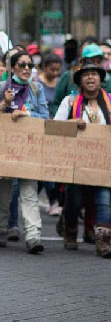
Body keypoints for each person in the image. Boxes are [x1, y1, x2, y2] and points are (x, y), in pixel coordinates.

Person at [0, 50, 48, 254]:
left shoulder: (36, 89)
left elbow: (46, 116)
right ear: (12, 68)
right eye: (21, 65)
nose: (26, 69)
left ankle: (33, 235)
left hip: (30, 148)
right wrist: (4, 104)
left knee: (29, 193)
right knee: (4, 194)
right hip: (5, 147)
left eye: (29, 65)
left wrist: (27, 114)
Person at [54, 63, 111, 258]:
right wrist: (71, 123)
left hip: (104, 163)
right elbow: (53, 128)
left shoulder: (110, 101)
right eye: (86, 75)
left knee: (104, 201)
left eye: (94, 74)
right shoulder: (69, 102)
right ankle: (70, 230)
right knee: (74, 200)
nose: (90, 78)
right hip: (76, 161)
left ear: (100, 78)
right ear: (80, 80)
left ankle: (103, 242)